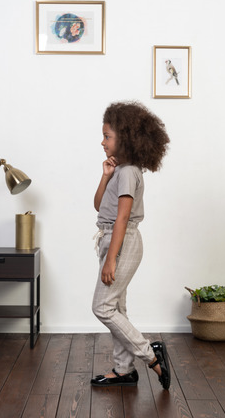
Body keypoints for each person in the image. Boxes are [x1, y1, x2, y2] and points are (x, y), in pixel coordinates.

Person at [91, 101, 171, 389]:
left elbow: (122, 218)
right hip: (112, 238)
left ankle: (151, 355)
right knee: (117, 309)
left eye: (107, 136)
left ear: (124, 138)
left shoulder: (128, 172)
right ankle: (124, 370)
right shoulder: (120, 170)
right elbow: (100, 206)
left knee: (102, 307)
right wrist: (105, 176)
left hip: (121, 241)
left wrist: (112, 259)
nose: (102, 141)